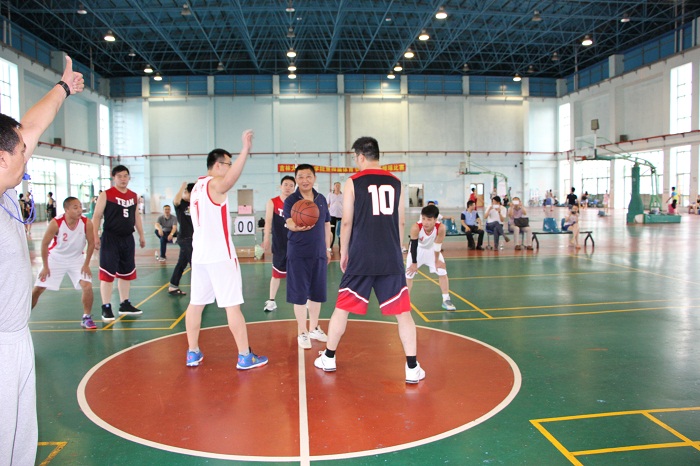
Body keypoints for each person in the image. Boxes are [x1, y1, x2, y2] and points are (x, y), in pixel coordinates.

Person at [0, 54, 83, 466]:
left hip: (16, 337)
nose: (28, 156)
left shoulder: (6, 188)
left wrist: (63, 88)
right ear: (2, 158)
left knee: (19, 441)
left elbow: (29, 127)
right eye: (23, 153)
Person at [314, 136, 425, 384]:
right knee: (403, 313)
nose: (355, 161)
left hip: (361, 255)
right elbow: (401, 222)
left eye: (355, 157)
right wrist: (397, 250)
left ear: (361, 156)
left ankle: (329, 357)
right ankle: (412, 367)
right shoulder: (396, 182)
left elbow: (347, 222)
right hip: (389, 256)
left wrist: (344, 251)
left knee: (342, 308)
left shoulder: (353, 182)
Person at [184, 131, 268, 370]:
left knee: (196, 304)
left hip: (199, 256)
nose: (230, 168)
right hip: (220, 255)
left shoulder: (197, 187)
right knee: (232, 306)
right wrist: (245, 150)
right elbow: (229, 181)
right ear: (218, 165)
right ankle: (244, 356)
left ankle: (192, 352)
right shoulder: (214, 185)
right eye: (228, 164)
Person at [284, 164, 331, 349]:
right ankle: (302, 332)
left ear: (314, 178)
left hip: (318, 252)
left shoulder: (321, 199)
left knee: (317, 293)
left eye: (308, 176)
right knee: (299, 294)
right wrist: (296, 226)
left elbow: (326, 225)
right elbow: (289, 221)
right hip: (298, 253)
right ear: (296, 179)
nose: (305, 180)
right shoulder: (291, 200)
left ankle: (313, 328)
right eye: (301, 177)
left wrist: (327, 249)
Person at [31, 197, 96, 329]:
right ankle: (22, 317)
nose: (79, 210)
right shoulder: (56, 223)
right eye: (75, 207)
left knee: (87, 286)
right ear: (66, 210)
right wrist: (45, 266)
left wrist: (86, 264)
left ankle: (86, 317)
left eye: (80, 206)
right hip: (55, 258)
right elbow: (44, 244)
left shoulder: (86, 223)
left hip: (76, 259)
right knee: (38, 289)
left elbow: (91, 243)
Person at [92, 165, 146, 322]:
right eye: (119, 176)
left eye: (125, 176)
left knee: (126, 273)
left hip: (127, 238)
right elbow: (97, 216)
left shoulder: (133, 196)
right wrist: (95, 236)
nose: (123, 179)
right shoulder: (106, 195)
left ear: (129, 178)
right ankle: (106, 307)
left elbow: (136, 216)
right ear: (113, 178)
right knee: (107, 274)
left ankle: (124, 304)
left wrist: (141, 235)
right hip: (110, 238)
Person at [406, 204, 456, 311]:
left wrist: (437, 260)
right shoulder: (416, 227)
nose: (425, 222)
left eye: (429, 219)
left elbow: (437, 245)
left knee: (442, 271)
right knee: (409, 274)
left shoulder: (441, 228)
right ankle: (405, 301)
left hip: (432, 250)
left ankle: (446, 299)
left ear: (435, 220)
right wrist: (414, 263)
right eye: (423, 218)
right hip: (417, 250)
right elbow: (413, 246)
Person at [261, 175, 296, 311]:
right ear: (280, 186)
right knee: (276, 274)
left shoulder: (297, 203)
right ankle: (271, 301)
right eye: (285, 184)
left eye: (291, 185)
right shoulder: (273, 202)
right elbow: (268, 221)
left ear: (294, 188)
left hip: (295, 243)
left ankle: (302, 299)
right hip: (279, 243)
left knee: (298, 273)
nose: (288, 187)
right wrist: (266, 238)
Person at [168, 182, 195, 296]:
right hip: (185, 238)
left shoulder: (193, 204)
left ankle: (173, 286)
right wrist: (182, 187)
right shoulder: (181, 204)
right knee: (194, 263)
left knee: (181, 263)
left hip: (192, 238)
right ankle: (199, 290)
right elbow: (175, 200)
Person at [327, 181, 343, 255]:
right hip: (332, 216)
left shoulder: (343, 195)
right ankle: (330, 249)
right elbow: (327, 204)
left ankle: (341, 250)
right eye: (336, 186)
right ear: (334, 187)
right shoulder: (330, 195)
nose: (337, 187)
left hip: (341, 216)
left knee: (341, 233)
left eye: (339, 186)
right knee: (331, 233)